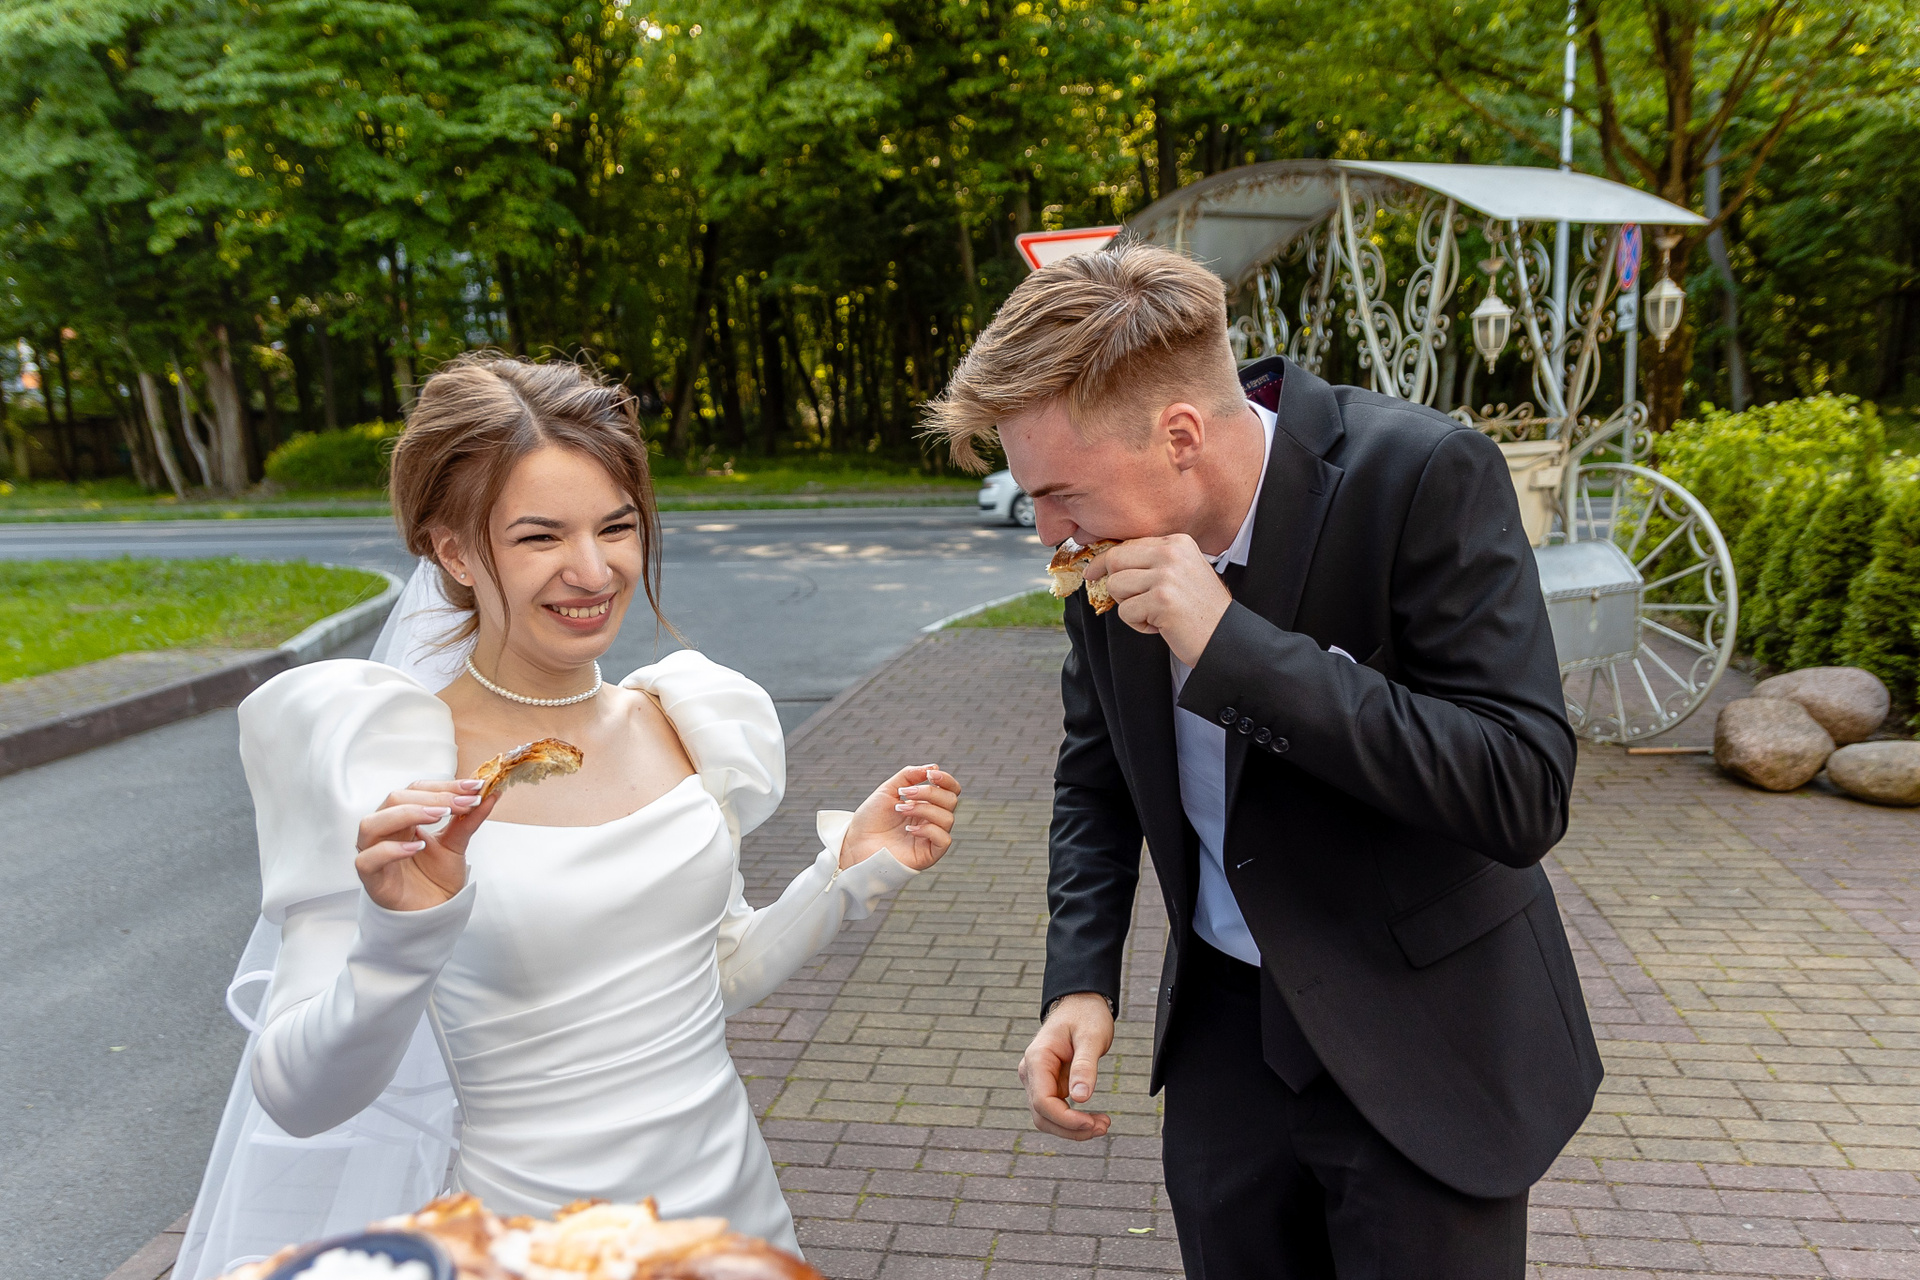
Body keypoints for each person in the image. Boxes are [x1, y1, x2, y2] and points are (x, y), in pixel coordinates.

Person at [179, 354, 961, 1276]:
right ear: (455, 553)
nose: (593, 571)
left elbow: (706, 980)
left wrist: (846, 873)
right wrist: (399, 936)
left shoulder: (687, 721)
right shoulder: (397, 771)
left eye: (617, 527)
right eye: (540, 537)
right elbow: (297, 1096)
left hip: (734, 1219)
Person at [923, 242, 1599, 1279]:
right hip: (1224, 1047)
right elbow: (1095, 775)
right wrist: (1079, 982)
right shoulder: (1101, 550)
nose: (1048, 531)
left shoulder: (1422, 476)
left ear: (1180, 435)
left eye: (1061, 492)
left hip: (1427, 1040)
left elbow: (1522, 788)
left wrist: (1235, 649)